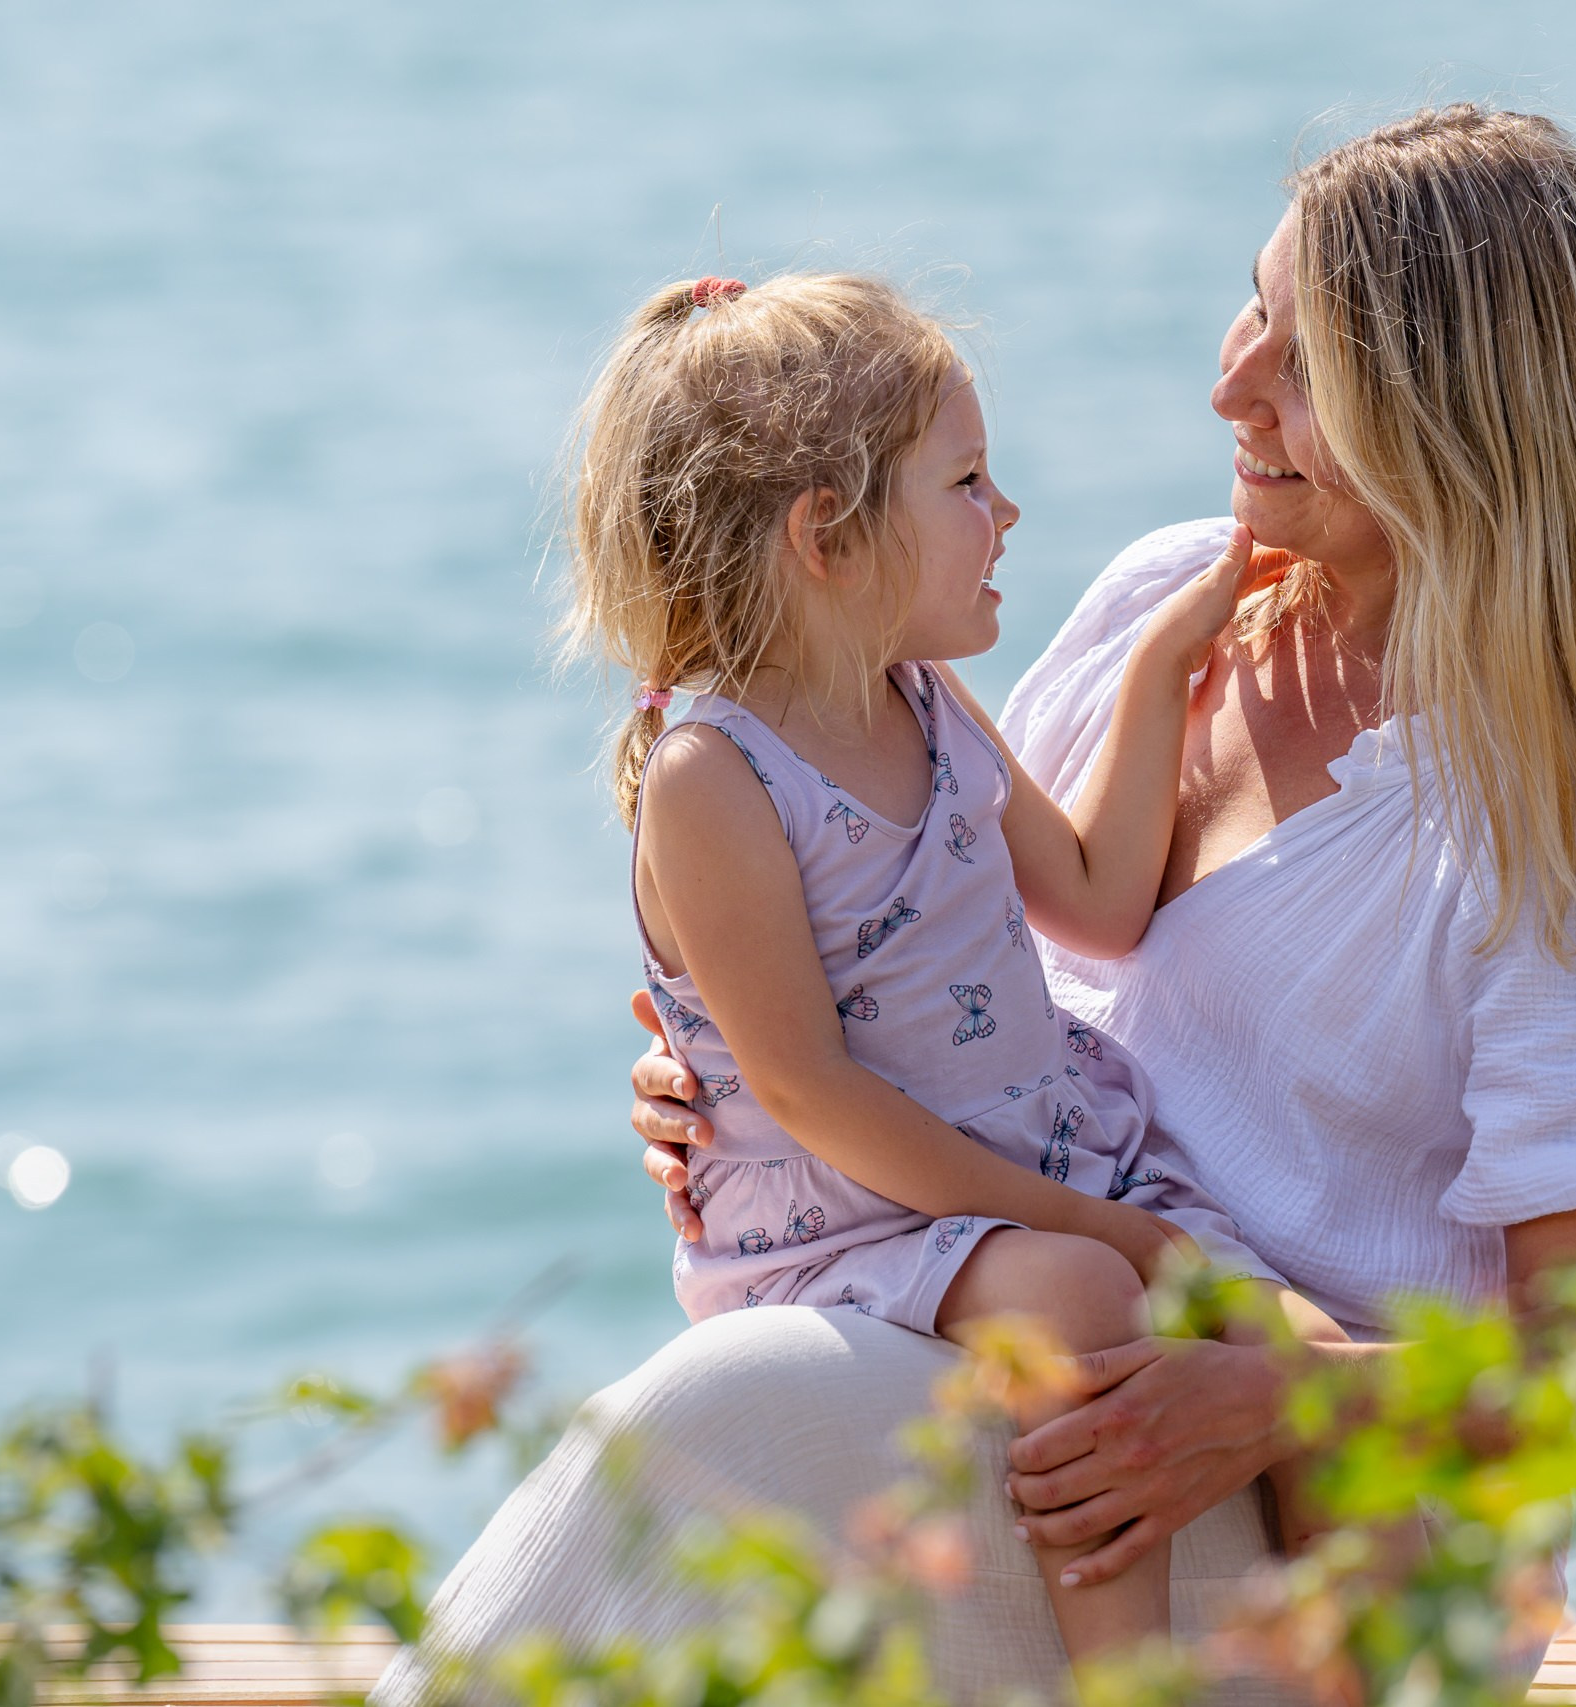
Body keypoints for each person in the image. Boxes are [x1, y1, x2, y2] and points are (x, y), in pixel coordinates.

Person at [374, 103, 1576, 1704]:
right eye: (1254, 304)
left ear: (1455, 416)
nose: (1228, 380)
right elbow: (933, 936)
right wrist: (741, 1077)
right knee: (733, 1427)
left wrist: (1268, 1407)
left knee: (729, 1416)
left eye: (1305, 366)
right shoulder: (1168, 598)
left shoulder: (1569, 830)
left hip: (1322, 1514)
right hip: (1060, 1341)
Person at [558, 270, 1350, 1661]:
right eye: (968, 481)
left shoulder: (920, 699)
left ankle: (1361, 1675)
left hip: (1040, 1161)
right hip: (848, 1217)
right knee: (1090, 1302)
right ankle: (1126, 1690)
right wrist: (1093, 1229)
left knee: (1297, 1344)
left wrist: (1166, 661)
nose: (1007, 514)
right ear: (828, 535)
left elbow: (1100, 900)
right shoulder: (715, 779)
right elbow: (811, 1097)